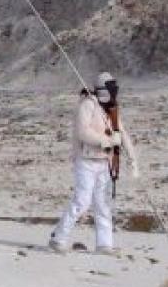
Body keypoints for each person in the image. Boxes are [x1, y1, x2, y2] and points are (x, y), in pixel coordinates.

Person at [48, 72, 139, 255]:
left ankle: (104, 244)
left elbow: (122, 133)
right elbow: (83, 132)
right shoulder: (88, 105)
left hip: (105, 163)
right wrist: (106, 141)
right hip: (86, 162)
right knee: (81, 201)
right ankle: (58, 238)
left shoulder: (111, 109)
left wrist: (133, 159)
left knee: (103, 204)